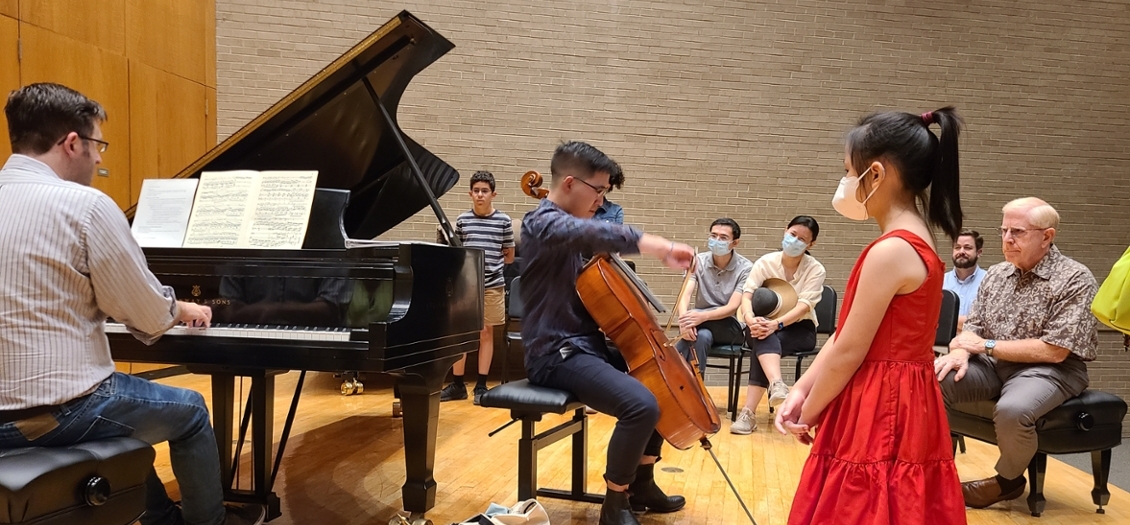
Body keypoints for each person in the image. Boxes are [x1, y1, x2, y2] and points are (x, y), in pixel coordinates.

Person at [0, 83, 264, 525]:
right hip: (59, 411)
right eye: (97, 144)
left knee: (125, 421)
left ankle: (160, 518)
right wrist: (181, 308)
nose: (100, 158)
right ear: (72, 143)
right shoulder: (85, 208)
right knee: (192, 413)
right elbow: (146, 313)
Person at [775, 107, 968, 524]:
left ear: (876, 174)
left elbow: (848, 349)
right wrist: (803, 389)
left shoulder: (892, 250)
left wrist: (809, 410)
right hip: (908, 396)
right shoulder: (917, 240)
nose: (845, 182)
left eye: (848, 171)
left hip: (882, 400)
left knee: (863, 504)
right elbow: (846, 337)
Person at [520, 141, 694, 525]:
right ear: (569, 183)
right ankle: (615, 505)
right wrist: (656, 245)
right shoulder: (541, 224)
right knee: (641, 405)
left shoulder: (571, 228)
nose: (601, 199)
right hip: (554, 353)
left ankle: (642, 484)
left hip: (585, 346)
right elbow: (588, 233)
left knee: (660, 382)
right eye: (598, 190)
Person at [934, 198, 1097, 509]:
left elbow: (1054, 350)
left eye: (1018, 232)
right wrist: (960, 353)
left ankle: (1007, 481)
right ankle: (933, 469)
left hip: (1050, 369)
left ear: (1047, 236)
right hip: (994, 365)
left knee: (1013, 409)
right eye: (1004, 230)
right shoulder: (996, 275)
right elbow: (974, 328)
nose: (1007, 239)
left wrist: (984, 347)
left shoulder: (1075, 278)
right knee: (932, 378)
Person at [730, 216, 826, 435]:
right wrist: (750, 318)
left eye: (802, 239)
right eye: (792, 234)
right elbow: (747, 294)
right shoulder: (766, 262)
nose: (795, 241)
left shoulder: (816, 269)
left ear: (811, 244)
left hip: (799, 328)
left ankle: (748, 414)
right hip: (760, 324)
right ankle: (777, 384)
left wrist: (776, 324)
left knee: (763, 341)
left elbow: (804, 306)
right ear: (785, 231)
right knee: (763, 336)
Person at [439, 171, 515, 405]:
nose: (480, 195)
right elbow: (457, 253)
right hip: (465, 286)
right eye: (476, 191)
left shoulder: (504, 221)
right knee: (462, 335)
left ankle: (481, 385)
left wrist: (491, 267)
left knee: (485, 332)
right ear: (470, 194)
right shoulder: (463, 220)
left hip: (492, 285)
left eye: (485, 191)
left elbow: (510, 256)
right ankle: (458, 385)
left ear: (493, 194)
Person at [673, 218, 752, 378]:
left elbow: (732, 307)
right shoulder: (697, 260)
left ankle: (668, 365)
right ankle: (695, 388)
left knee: (700, 325)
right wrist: (683, 321)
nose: (717, 240)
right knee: (702, 336)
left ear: (735, 243)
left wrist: (700, 317)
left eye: (723, 238)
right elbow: (684, 294)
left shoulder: (746, 268)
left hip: (730, 328)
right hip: (700, 325)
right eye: (713, 235)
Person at [943, 229, 986, 331]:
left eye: (967, 248)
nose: (961, 251)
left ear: (979, 252)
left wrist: (947, 321)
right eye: (957, 247)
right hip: (942, 345)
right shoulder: (940, 281)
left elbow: (989, 324)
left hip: (975, 345)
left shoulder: (990, 282)